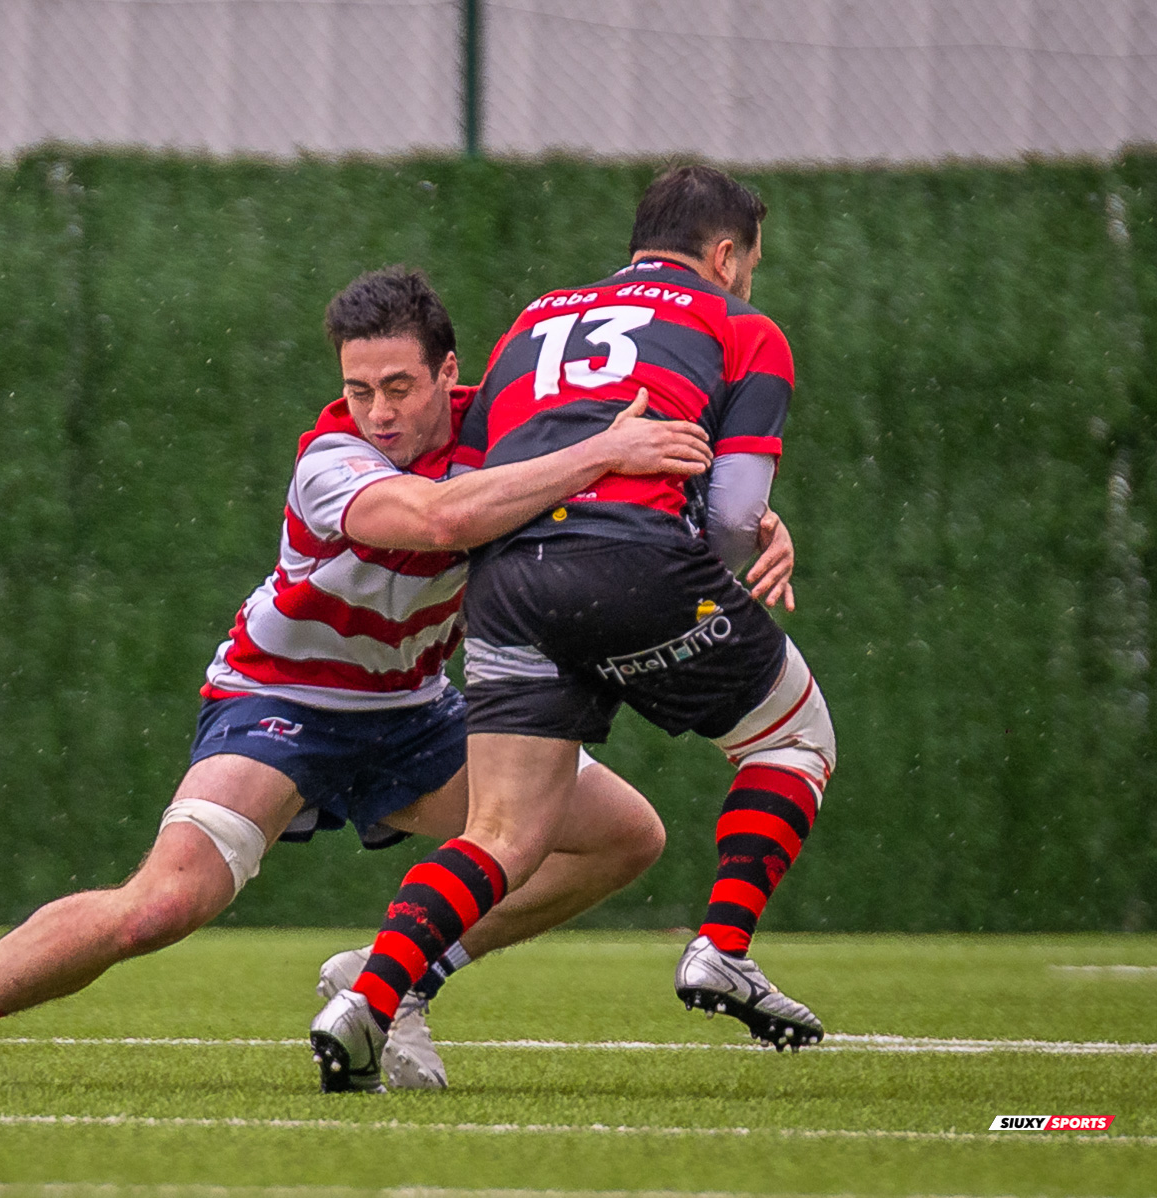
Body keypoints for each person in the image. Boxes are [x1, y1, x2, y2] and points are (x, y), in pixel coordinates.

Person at [0, 266, 732, 1089]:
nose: (377, 412)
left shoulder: (504, 430)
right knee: (163, 905)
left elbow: (635, 494)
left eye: (399, 387)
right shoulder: (331, 459)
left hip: (414, 713)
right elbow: (439, 519)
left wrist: (752, 522)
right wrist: (599, 455)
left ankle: (399, 974)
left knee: (624, 838)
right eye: (359, 390)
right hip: (280, 703)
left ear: (449, 373)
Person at [310, 166, 834, 1093]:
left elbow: (472, 483)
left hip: (508, 582)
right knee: (793, 740)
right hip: (634, 563)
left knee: (505, 833)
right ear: (725, 254)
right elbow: (730, 512)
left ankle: (369, 1000)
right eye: (749, 259)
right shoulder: (741, 327)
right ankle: (721, 944)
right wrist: (737, 538)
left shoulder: (533, 321)